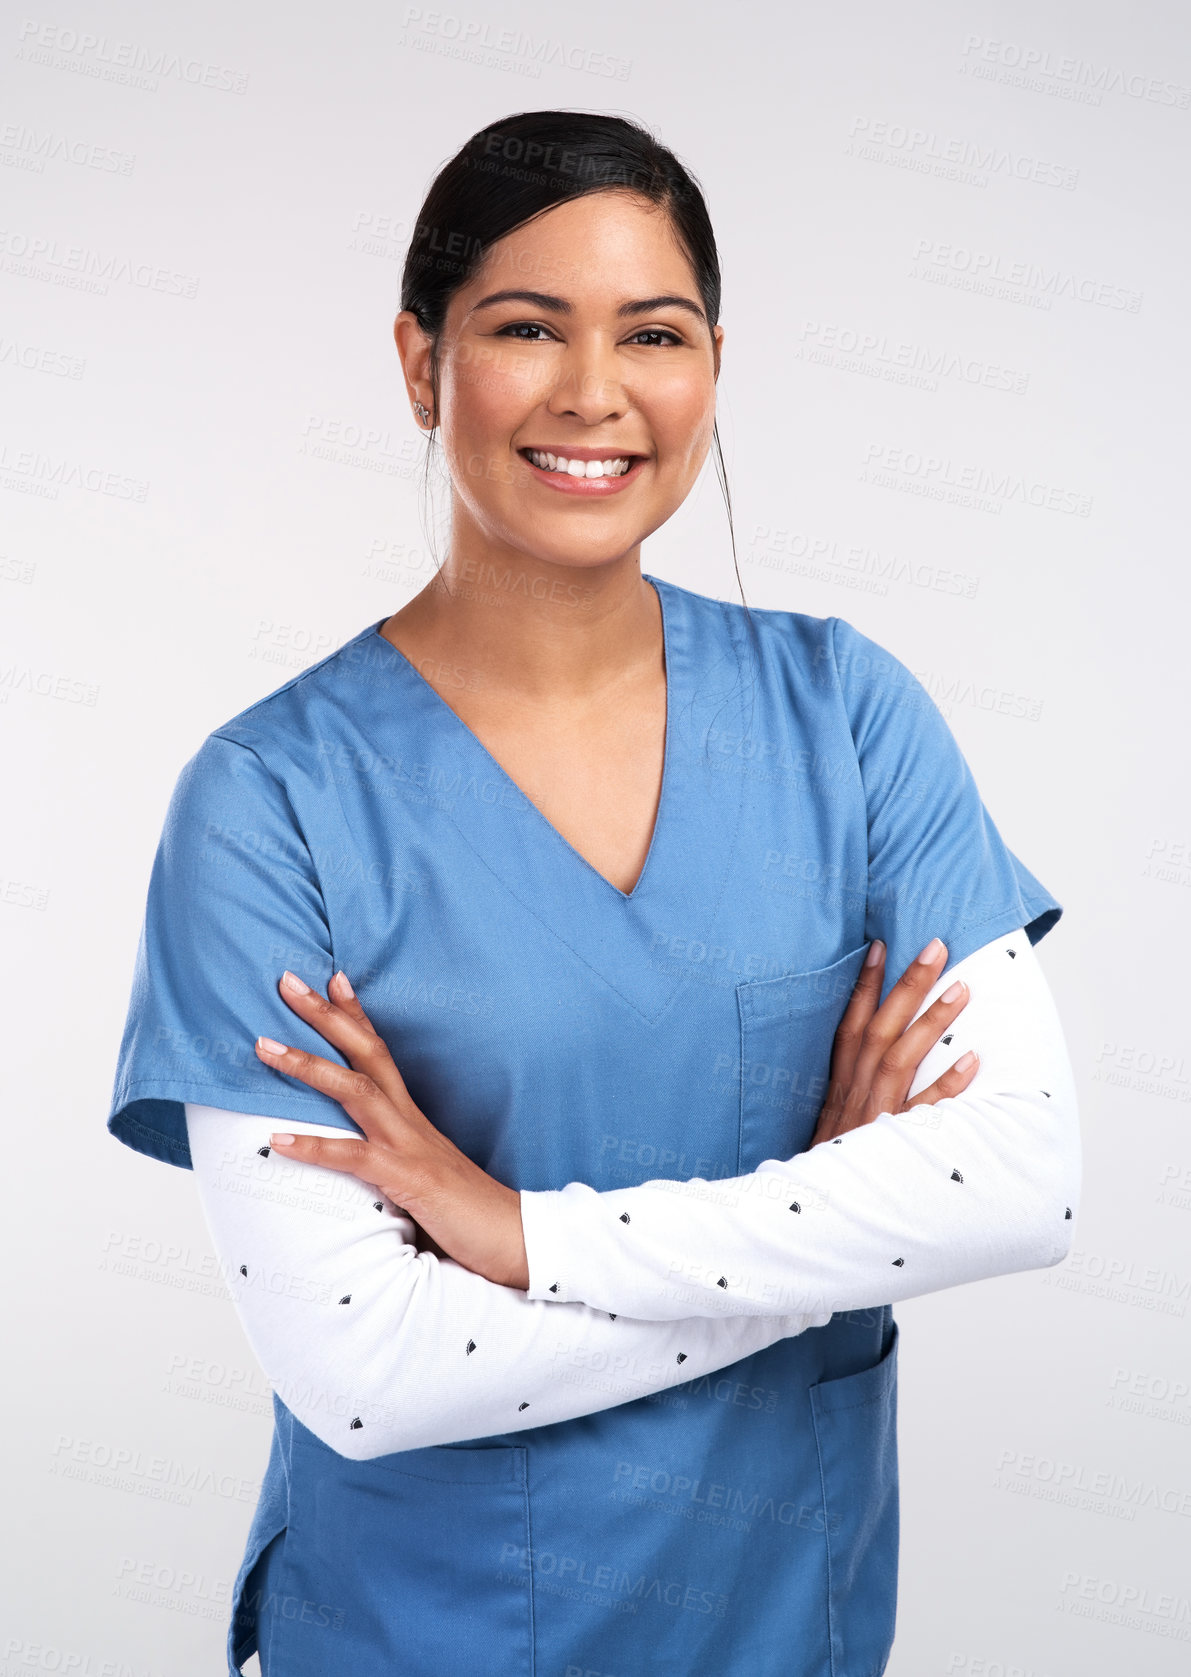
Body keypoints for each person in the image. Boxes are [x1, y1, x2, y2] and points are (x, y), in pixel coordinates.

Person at [106, 109, 1080, 1677]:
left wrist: (520, 1235)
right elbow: (370, 1366)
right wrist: (825, 1220)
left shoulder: (848, 715)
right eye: (525, 327)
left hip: (786, 1629)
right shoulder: (271, 801)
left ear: (712, 366)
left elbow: (1017, 1179)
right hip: (424, 1633)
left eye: (655, 333)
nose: (594, 392)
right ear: (422, 365)